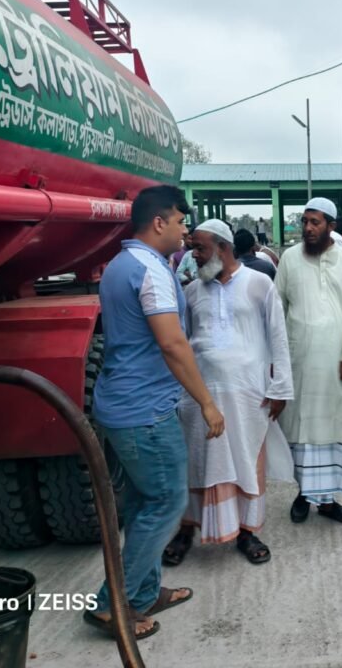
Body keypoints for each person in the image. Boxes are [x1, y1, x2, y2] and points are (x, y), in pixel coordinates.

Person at [86, 185, 225, 640]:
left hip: (122, 403)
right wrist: (206, 401)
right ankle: (112, 604)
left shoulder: (120, 264)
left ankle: (144, 593)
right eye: (182, 222)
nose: (186, 230)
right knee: (166, 501)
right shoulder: (149, 270)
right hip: (144, 409)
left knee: (145, 504)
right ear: (159, 223)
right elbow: (171, 342)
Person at [162, 220, 294, 566]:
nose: (194, 255)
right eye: (192, 247)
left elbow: (278, 337)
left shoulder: (259, 284)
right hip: (200, 395)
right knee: (196, 461)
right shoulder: (192, 292)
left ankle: (247, 532)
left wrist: (280, 387)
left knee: (246, 460)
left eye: (200, 248)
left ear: (223, 248)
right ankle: (186, 530)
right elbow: (184, 342)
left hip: (248, 392)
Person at [276, 198, 342, 524]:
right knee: (301, 431)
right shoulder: (289, 259)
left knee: (335, 430)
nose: (307, 228)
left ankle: (329, 502)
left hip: (336, 364)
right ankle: (303, 494)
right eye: (305, 221)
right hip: (300, 363)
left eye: (315, 222)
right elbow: (277, 311)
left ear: (331, 226)